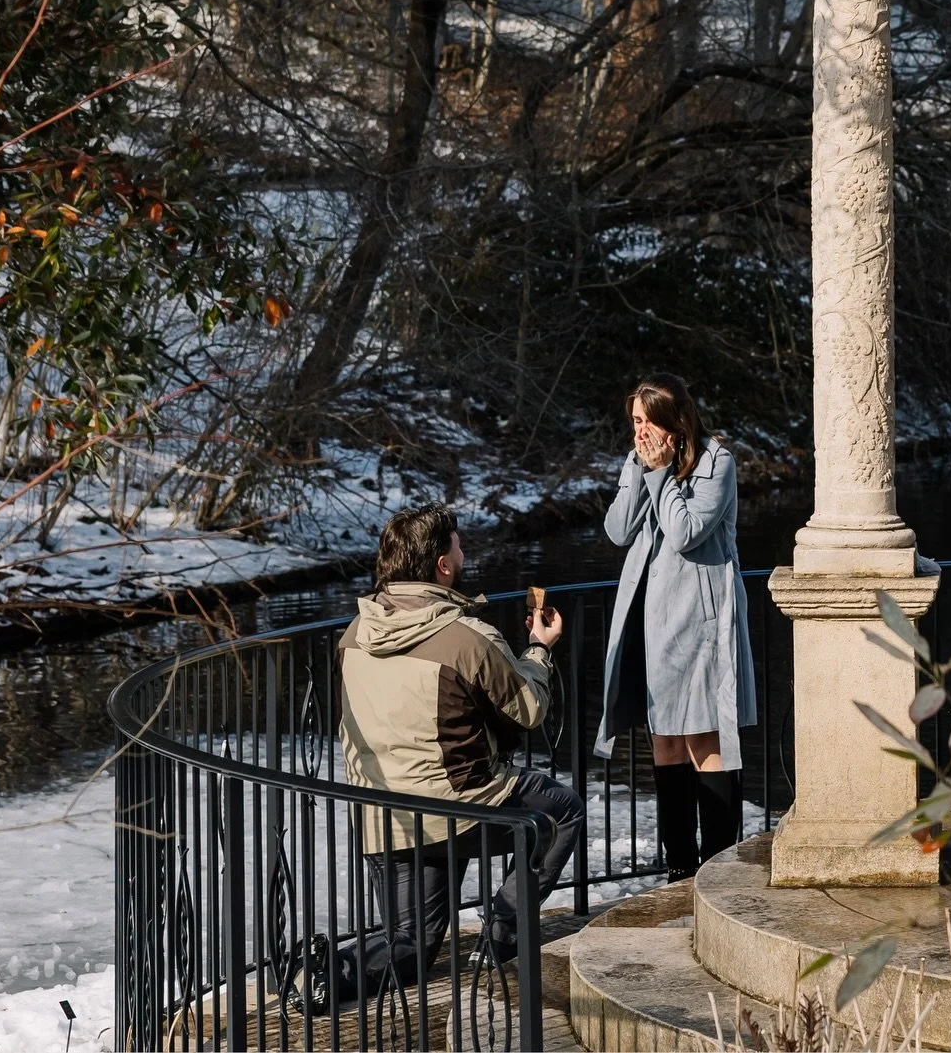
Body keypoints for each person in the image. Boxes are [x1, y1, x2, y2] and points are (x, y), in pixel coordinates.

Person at [308, 503, 582, 1009]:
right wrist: (540, 650)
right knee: (561, 810)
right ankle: (500, 938)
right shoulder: (466, 637)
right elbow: (529, 710)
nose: (464, 551)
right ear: (441, 564)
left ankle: (326, 971)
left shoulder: (353, 637)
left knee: (410, 946)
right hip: (459, 809)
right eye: (458, 544)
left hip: (385, 818)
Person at [594, 374, 757, 882]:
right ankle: (680, 868)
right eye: (634, 423)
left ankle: (719, 869)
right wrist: (639, 470)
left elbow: (686, 532)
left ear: (674, 421)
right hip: (653, 617)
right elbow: (618, 530)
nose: (638, 432)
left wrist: (662, 473)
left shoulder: (717, 462)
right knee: (664, 739)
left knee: (706, 740)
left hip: (702, 620)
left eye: (646, 422)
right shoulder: (641, 460)